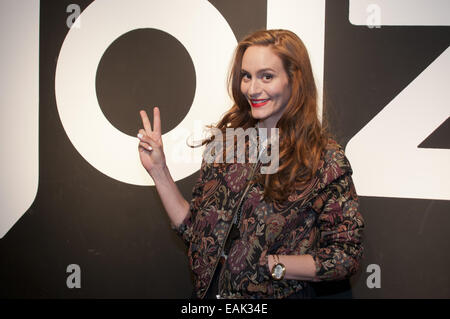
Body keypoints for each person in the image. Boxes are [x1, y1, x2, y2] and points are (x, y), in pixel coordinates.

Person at [136, 29, 364, 299]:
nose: (252, 89)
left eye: (267, 76)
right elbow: (197, 233)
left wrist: (273, 266)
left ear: (294, 80)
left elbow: (345, 256)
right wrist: (159, 171)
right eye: (246, 76)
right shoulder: (226, 145)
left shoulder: (324, 159)